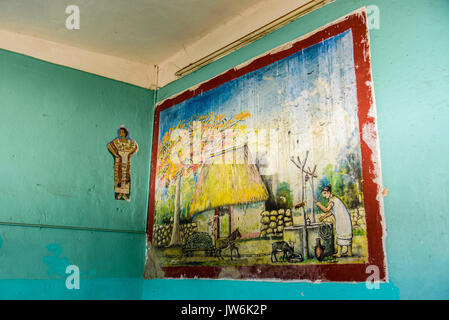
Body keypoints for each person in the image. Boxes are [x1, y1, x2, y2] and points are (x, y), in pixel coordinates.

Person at [315, 185, 352, 257]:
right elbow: (332, 212)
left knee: (341, 232)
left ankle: (339, 253)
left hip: (342, 219)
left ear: (328, 192)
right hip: (344, 218)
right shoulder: (334, 198)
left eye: (325, 193)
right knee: (346, 233)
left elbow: (326, 210)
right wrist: (324, 217)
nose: (323, 196)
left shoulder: (332, 200)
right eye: (323, 194)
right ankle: (349, 252)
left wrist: (319, 205)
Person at [107, 127, 138, 201]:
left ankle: (124, 194)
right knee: (118, 176)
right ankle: (119, 193)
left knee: (125, 176)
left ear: (125, 133)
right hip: (119, 160)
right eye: (120, 132)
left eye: (123, 132)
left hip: (126, 160)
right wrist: (115, 154)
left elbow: (135, 147)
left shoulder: (130, 142)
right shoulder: (117, 141)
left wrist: (130, 154)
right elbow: (109, 146)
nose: (121, 134)